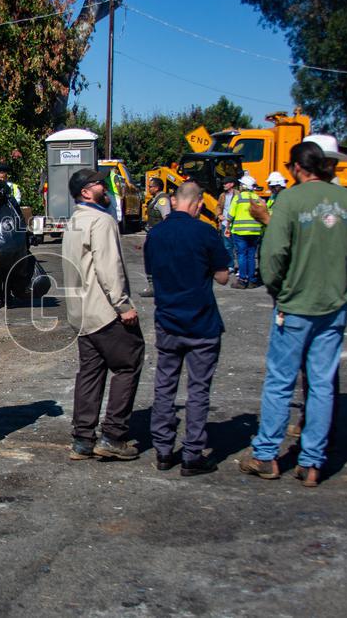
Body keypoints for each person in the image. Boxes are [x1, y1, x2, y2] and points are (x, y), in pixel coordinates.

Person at [240, 142, 347, 487]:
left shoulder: (290, 200)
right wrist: (346, 282)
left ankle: (267, 455)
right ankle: (312, 462)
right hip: (332, 306)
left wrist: (278, 289)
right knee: (321, 384)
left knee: (280, 381)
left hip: (295, 304)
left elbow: (274, 254)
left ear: (298, 169)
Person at [144, 183, 230, 476]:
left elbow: (152, 273)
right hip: (201, 323)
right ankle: (193, 454)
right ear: (196, 204)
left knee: (164, 385)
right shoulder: (206, 232)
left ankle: (164, 450)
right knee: (198, 389)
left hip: (167, 321)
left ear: (174, 201)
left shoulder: (155, 235)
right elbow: (223, 277)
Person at [62, 168, 144, 461]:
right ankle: (113, 435)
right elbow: (108, 269)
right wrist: (123, 305)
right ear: (86, 192)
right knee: (128, 362)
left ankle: (83, 439)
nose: (105, 187)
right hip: (104, 311)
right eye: (100, 184)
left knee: (91, 372)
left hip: (81, 313)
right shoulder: (101, 220)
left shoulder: (73, 222)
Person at [227, 173, 263, 289]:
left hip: (240, 232)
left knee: (242, 255)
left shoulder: (238, 197)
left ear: (244, 186)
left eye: (242, 184)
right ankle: (252, 280)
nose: (240, 186)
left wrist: (227, 226)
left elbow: (230, 215)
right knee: (251, 255)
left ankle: (242, 280)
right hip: (254, 231)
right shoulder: (257, 198)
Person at [140, 177, 171, 298]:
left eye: (151, 186)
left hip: (159, 236)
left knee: (157, 260)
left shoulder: (162, 200)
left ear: (157, 187)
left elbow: (166, 218)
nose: (149, 188)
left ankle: (157, 287)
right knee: (151, 259)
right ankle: (154, 286)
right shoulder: (156, 199)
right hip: (153, 234)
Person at [216, 177, 239, 275]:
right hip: (226, 224)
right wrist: (219, 215)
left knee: (238, 247)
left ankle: (240, 267)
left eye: (226, 183)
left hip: (236, 224)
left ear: (232, 184)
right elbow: (218, 206)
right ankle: (230, 266)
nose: (224, 185)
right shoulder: (222, 195)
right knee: (227, 246)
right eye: (223, 183)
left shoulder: (238, 194)